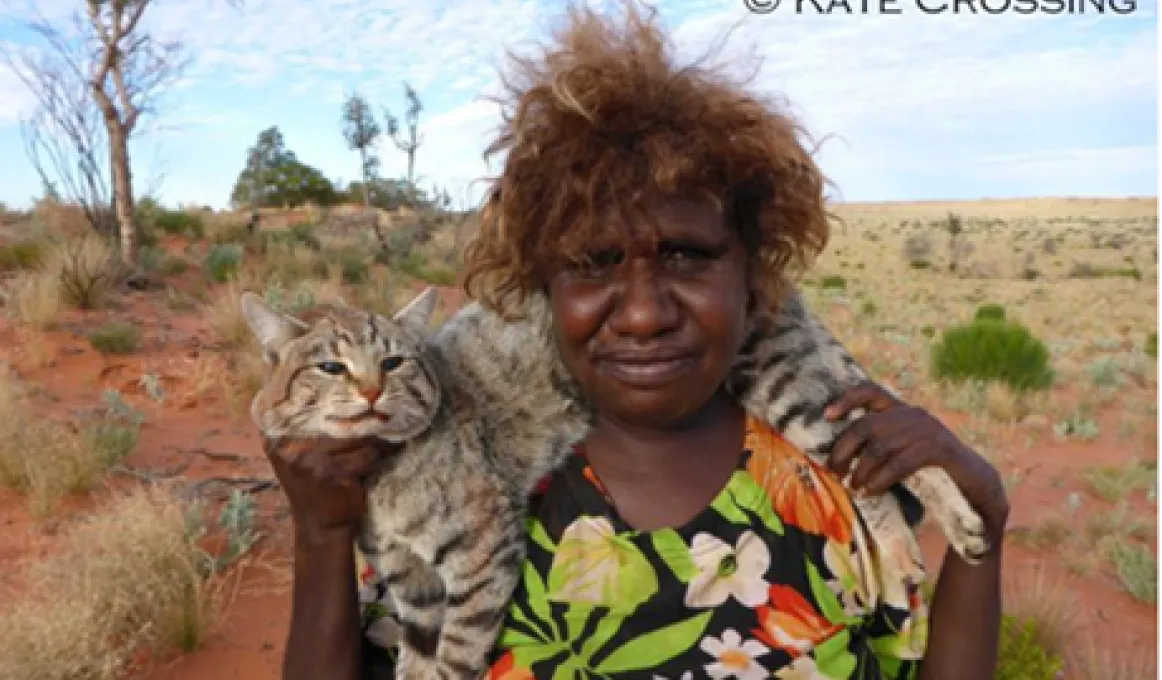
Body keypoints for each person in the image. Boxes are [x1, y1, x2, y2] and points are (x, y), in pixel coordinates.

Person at [263, 2, 1009, 678]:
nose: (645, 314)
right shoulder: (437, 480)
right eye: (593, 263)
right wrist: (322, 536)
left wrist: (987, 532)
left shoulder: (833, 490)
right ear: (538, 287)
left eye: (687, 255)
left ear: (756, 275)